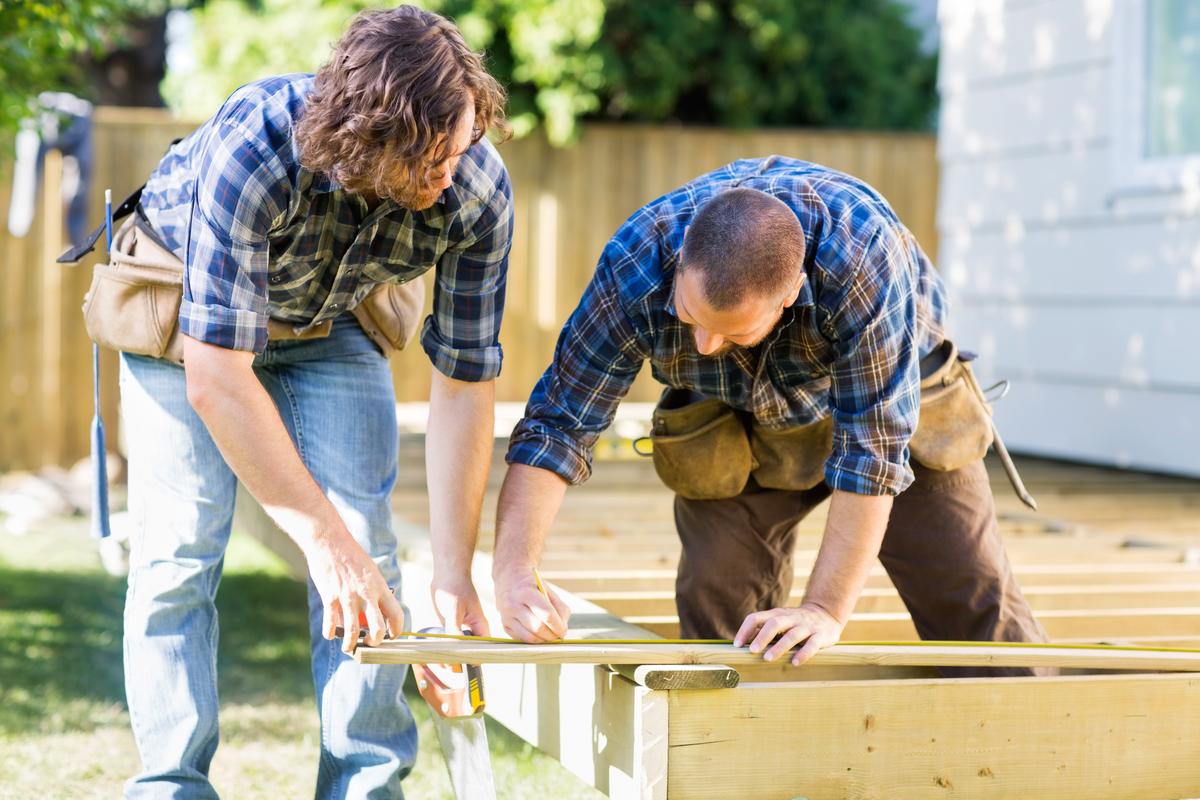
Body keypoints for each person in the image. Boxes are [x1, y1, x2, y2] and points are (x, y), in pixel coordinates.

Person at [117, 6, 512, 797]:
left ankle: (365, 785)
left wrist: (454, 575)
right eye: (430, 158)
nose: (450, 173)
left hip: (330, 321)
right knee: (179, 554)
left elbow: (466, 380)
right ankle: (171, 785)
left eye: (462, 145)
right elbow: (217, 376)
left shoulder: (475, 191)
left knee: (370, 543)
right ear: (367, 139)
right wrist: (321, 546)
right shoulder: (256, 146)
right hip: (188, 325)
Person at [491, 156, 1051, 676]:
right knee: (719, 609)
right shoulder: (637, 264)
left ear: (790, 296)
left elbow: (872, 454)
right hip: (732, 413)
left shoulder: (859, 257)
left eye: (732, 330)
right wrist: (515, 570)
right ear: (683, 256)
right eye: (689, 314)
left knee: (973, 602)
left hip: (899, 404)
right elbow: (558, 425)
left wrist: (825, 610)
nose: (705, 344)